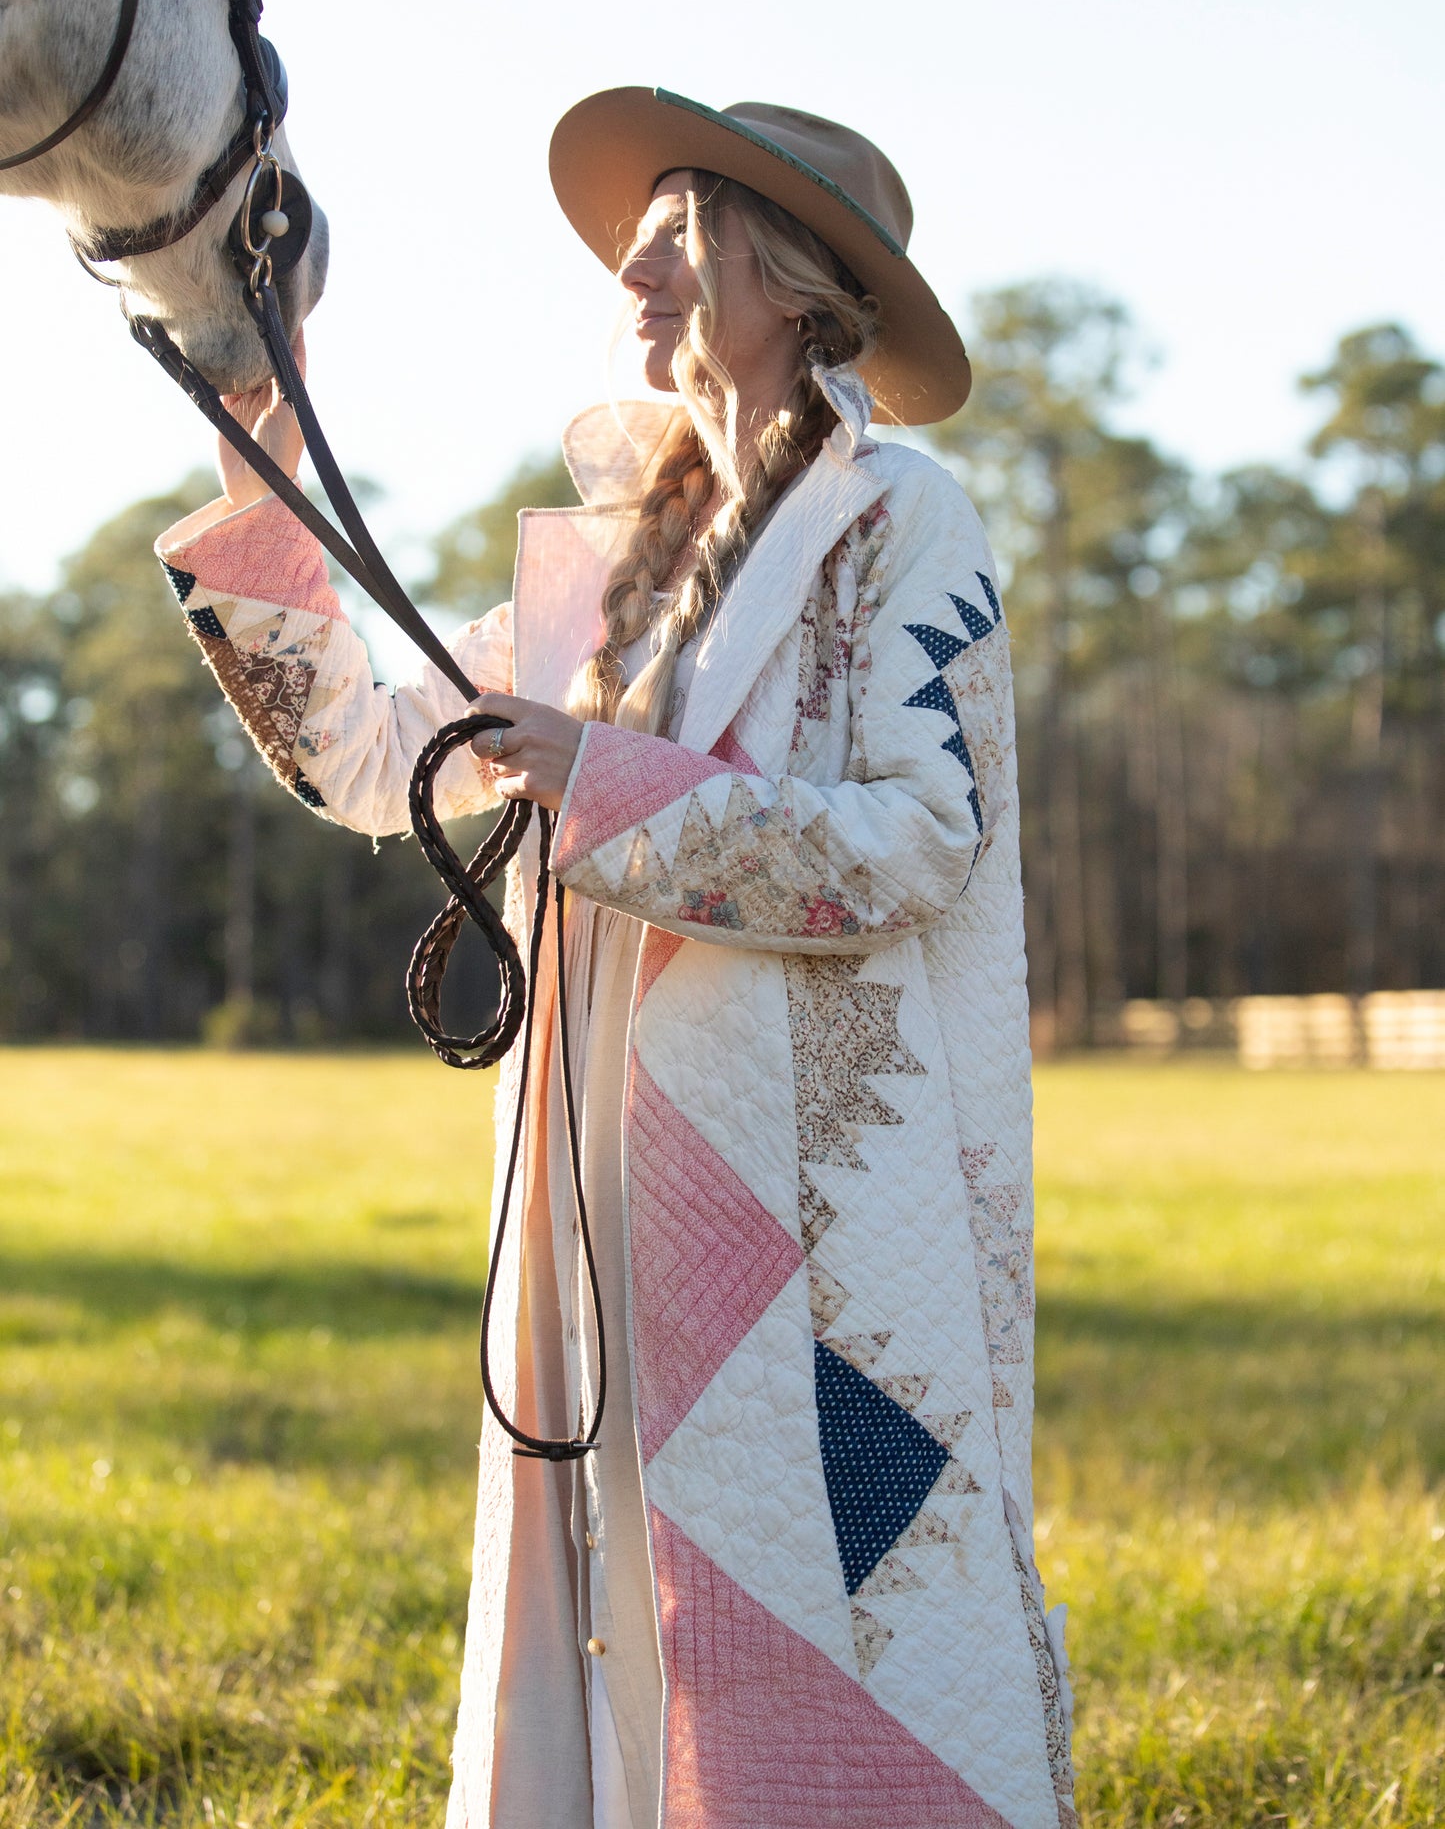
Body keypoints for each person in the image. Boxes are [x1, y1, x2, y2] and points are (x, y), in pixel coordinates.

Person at [156, 89, 1076, 1829]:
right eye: (642, 230)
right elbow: (369, 755)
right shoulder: (596, 574)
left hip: (801, 1180)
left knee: (810, 1576)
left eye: (683, 229)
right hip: (591, 1146)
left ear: (791, 283)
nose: (635, 263)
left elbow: (918, 838)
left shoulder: (903, 521)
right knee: (610, 1567)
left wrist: (618, 783)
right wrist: (257, 445)